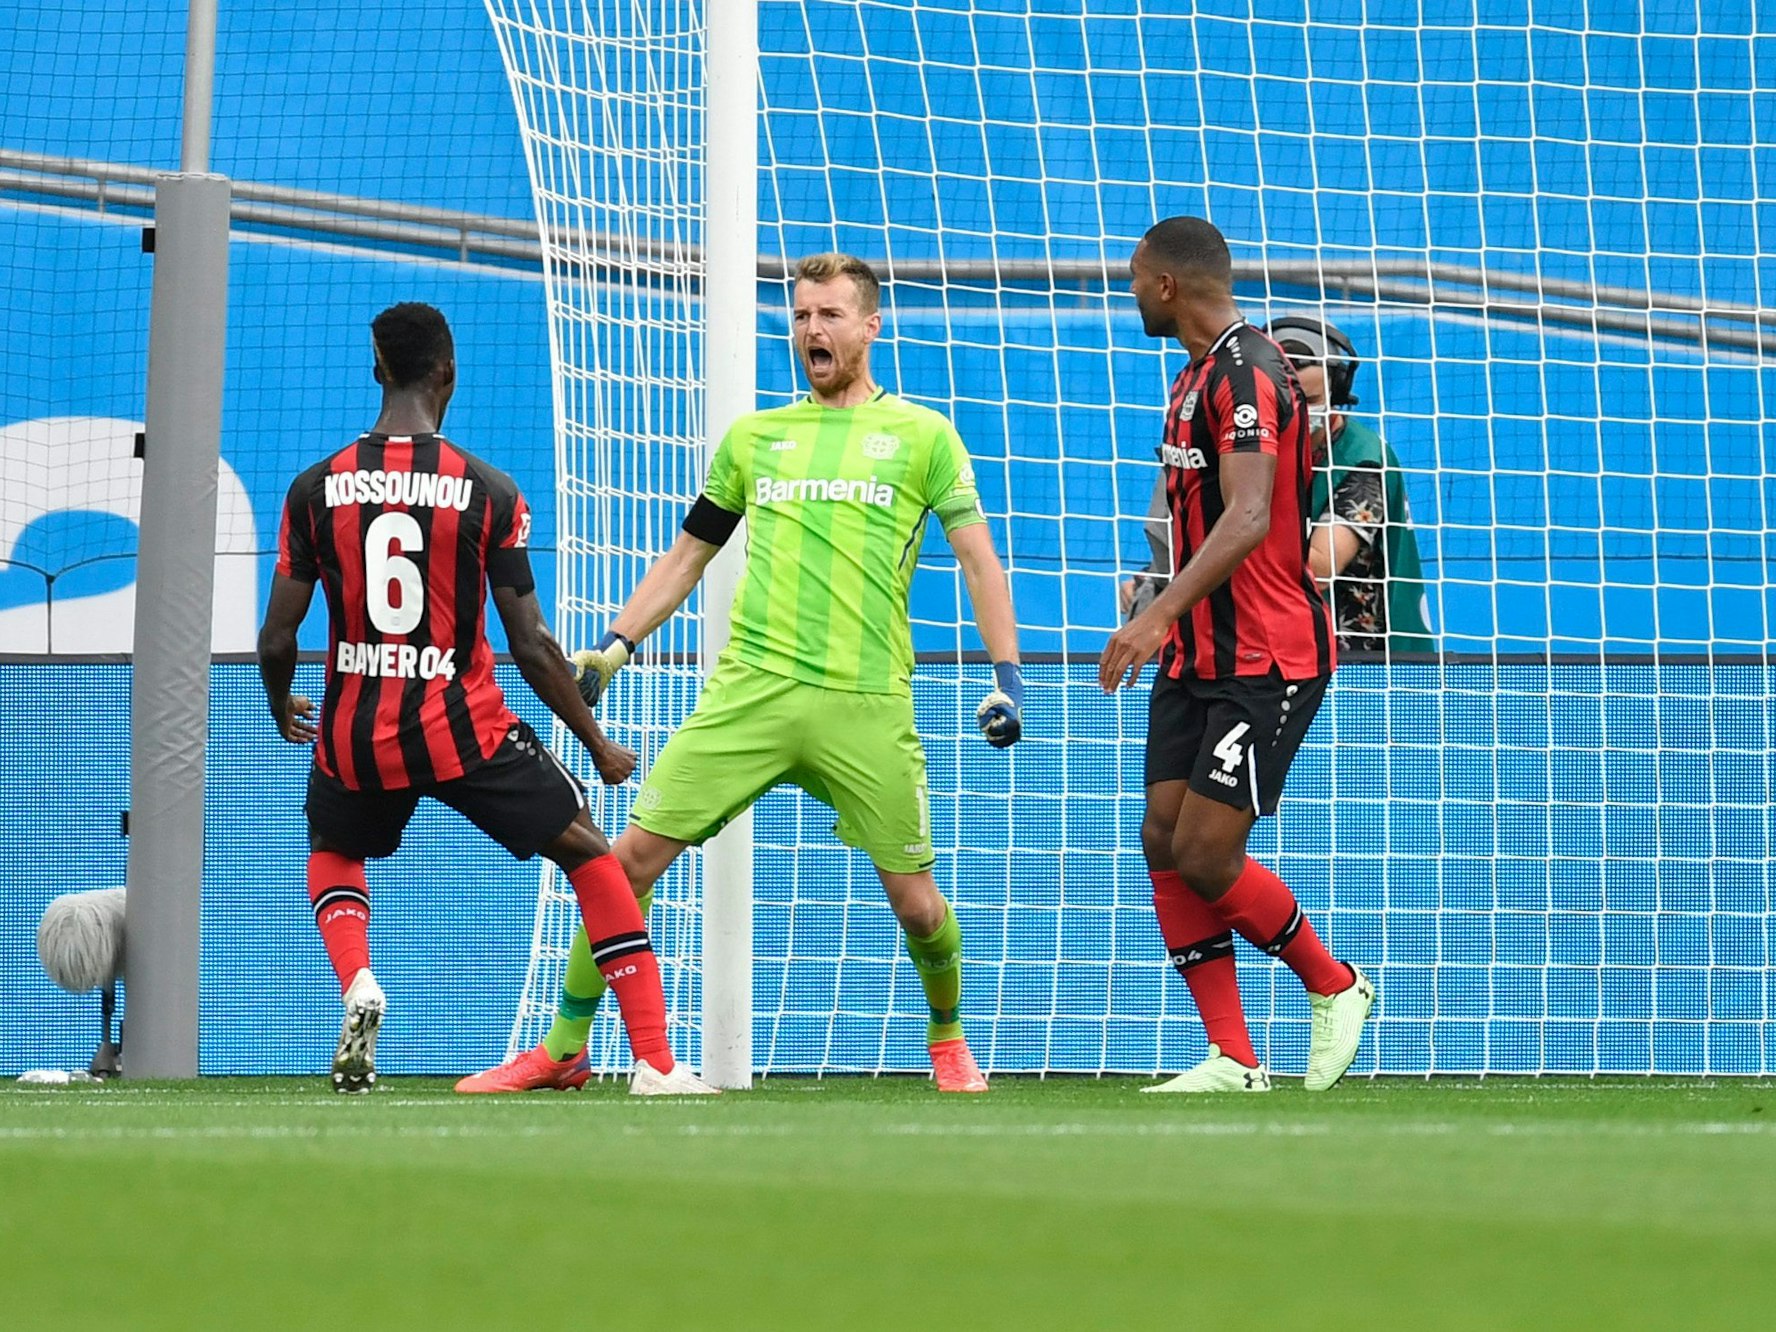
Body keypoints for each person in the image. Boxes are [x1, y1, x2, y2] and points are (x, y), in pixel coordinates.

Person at [457, 252, 1023, 1095]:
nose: (811, 331)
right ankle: (566, 1047)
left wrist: (1008, 677)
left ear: (872, 326)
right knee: (624, 861)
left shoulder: (923, 437)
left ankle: (947, 1036)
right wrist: (615, 644)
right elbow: (689, 554)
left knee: (917, 906)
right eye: (800, 316)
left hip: (865, 702)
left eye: (830, 315)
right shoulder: (756, 439)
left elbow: (977, 559)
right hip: (751, 691)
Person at [257, 301, 715, 1096]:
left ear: (376, 370)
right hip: (462, 727)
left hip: (356, 731)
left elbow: (277, 637)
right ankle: (655, 1063)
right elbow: (531, 643)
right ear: (449, 373)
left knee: (333, 849)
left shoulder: (313, 491)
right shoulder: (488, 492)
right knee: (589, 852)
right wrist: (596, 742)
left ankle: (359, 980)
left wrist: (277, 701)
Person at [1099, 218, 1375, 1093]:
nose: (1129, 293)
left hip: (1268, 655)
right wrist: (1160, 605)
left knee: (1207, 854)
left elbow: (1251, 515)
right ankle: (1233, 1057)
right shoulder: (1190, 378)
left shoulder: (1249, 370)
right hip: (1195, 653)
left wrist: (1153, 615)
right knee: (1160, 835)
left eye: (1135, 278)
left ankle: (1334, 984)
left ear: (1167, 284)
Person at [1121, 317, 1431, 653]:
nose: (1300, 412)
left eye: (1312, 401)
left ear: (1337, 389)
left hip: (1349, 652)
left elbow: (1319, 568)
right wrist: (1157, 578)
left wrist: (1192, 579)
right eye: (1289, 401)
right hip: (1262, 638)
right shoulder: (1248, 445)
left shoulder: (1364, 460)